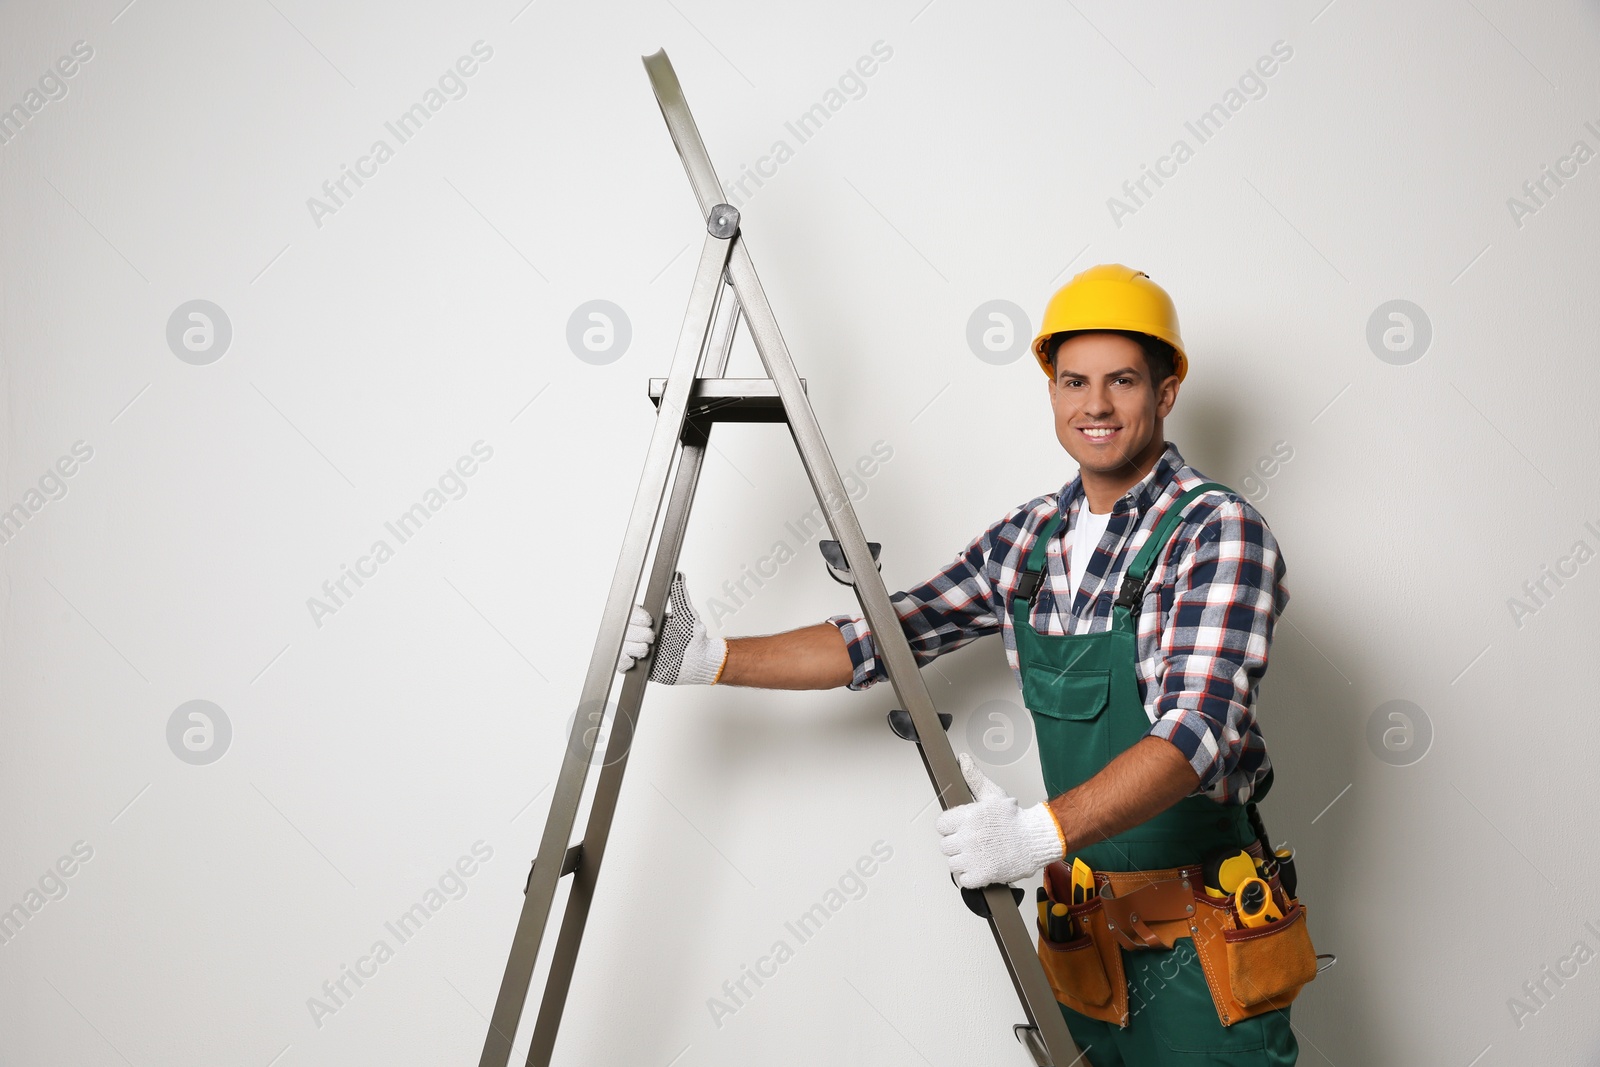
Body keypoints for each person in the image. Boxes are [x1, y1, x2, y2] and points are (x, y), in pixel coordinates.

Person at [620, 264, 1306, 1065]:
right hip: (1089, 946)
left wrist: (1032, 834)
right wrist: (712, 658)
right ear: (1050, 389)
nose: (1096, 405)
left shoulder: (1217, 530)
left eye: (1122, 380)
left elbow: (1198, 733)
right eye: (1074, 380)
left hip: (1206, 948)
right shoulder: (1029, 539)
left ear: (1166, 391)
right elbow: (886, 635)